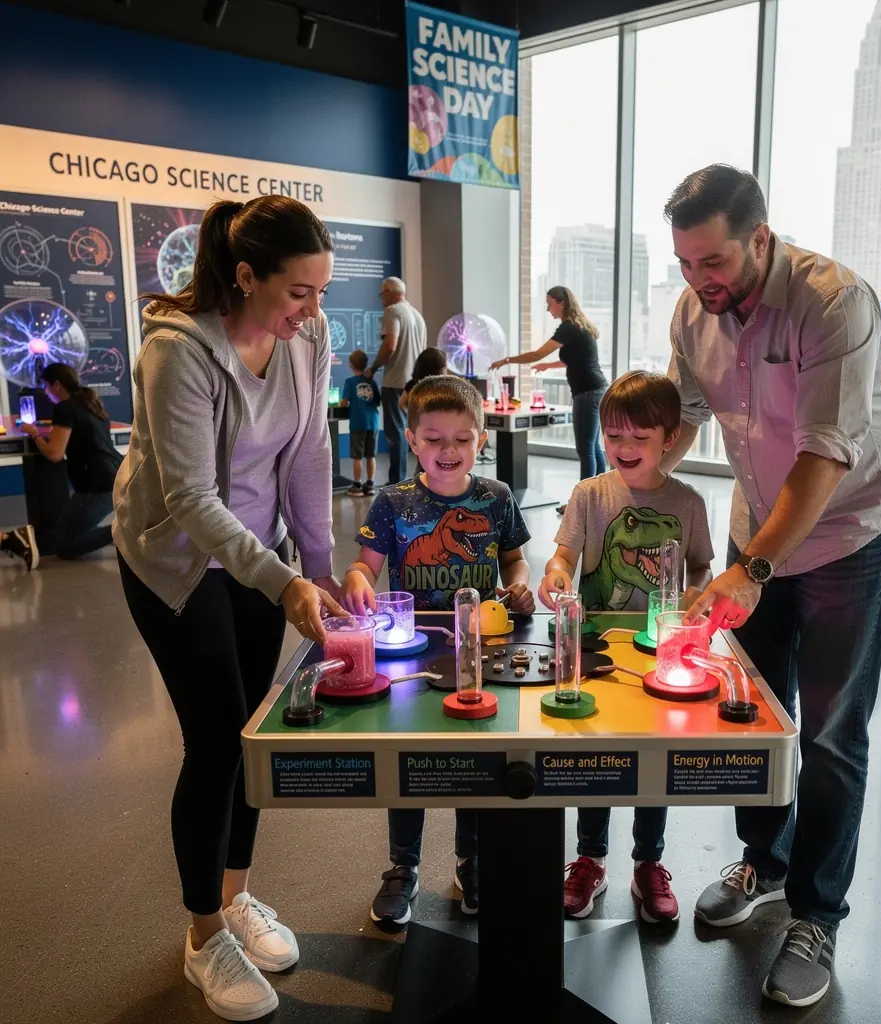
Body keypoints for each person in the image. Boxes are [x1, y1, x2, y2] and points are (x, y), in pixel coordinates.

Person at [662, 165, 881, 1007]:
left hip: (844, 536)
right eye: (687, 264)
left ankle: (817, 914)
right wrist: (629, 481)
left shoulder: (833, 299)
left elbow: (826, 453)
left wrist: (754, 569)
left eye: (715, 261)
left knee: (832, 732)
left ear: (760, 237)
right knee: (753, 713)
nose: (701, 281)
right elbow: (685, 412)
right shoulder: (696, 310)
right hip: (752, 528)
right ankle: (763, 860)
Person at [113, 195, 344, 1022]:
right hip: (177, 559)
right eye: (298, 294)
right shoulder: (177, 352)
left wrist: (318, 568)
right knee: (214, 739)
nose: (314, 312)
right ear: (245, 277)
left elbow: (311, 449)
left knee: (255, 737)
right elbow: (190, 497)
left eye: (321, 292)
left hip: (259, 557)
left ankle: (236, 895)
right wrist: (284, 582)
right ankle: (204, 932)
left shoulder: (305, 339)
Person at [340, 375, 534, 928]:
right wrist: (356, 580)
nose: (448, 451)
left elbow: (515, 561)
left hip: (485, 649)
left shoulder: (496, 499)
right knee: (410, 759)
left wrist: (519, 583)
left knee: (479, 760)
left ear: (481, 440)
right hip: (415, 654)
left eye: (462, 439)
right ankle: (403, 866)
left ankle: (471, 859)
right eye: (434, 439)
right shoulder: (393, 502)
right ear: (412, 439)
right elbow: (365, 566)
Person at [539, 371, 713, 925]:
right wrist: (556, 575)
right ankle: (589, 856)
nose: (624, 449)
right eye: (614, 436)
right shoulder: (589, 493)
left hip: (661, 654)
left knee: (652, 758)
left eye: (640, 438)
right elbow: (562, 556)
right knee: (597, 754)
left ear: (670, 438)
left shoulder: (687, 502)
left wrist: (695, 597)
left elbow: (703, 566)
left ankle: (649, 861)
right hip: (596, 649)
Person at [489, 285, 609, 513]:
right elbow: (577, 359)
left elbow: (536, 353)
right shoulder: (579, 327)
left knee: (586, 450)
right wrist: (550, 365)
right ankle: (600, 499)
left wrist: (506, 360)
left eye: (549, 303)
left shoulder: (567, 328)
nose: (547, 309)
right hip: (596, 389)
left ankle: (581, 506)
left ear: (561, 303)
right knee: (593, 449)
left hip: (587, 393)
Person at [18, 363, 123, 560]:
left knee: (64, 546)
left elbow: (54, 454)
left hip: (96, 487)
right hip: (113, 476)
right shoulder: (89, 403)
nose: (46, 393)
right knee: (68, 534)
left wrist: (34, 434)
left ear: (57, 385)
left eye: (46, 387)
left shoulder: (64, 408)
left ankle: (123, 531)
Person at [365, 276, 426, 484]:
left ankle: (397, 483)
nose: (382, 300)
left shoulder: (392, 311)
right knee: (416, 432)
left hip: (396, 382)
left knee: (396, 434)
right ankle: (420, 480)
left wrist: (373, 367)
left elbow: (390, 346)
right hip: (416, 383)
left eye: (382, 295)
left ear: (390, 292)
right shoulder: (417, 315)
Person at [340, 349, 381, 497]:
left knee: (357, 456)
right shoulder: (372, 381)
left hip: (357, 424)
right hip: (373, 423)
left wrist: (341, 403)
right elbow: (377, 401)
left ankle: (357, 484)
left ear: (351, 365)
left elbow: (344, 402)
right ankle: (370, 484)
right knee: (371, 455)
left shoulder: (350, 382)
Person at [398, 345, 448, 412]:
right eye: (444, 368)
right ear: (438, 371)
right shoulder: (440, 387)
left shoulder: (412, 384)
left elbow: (401, 403)